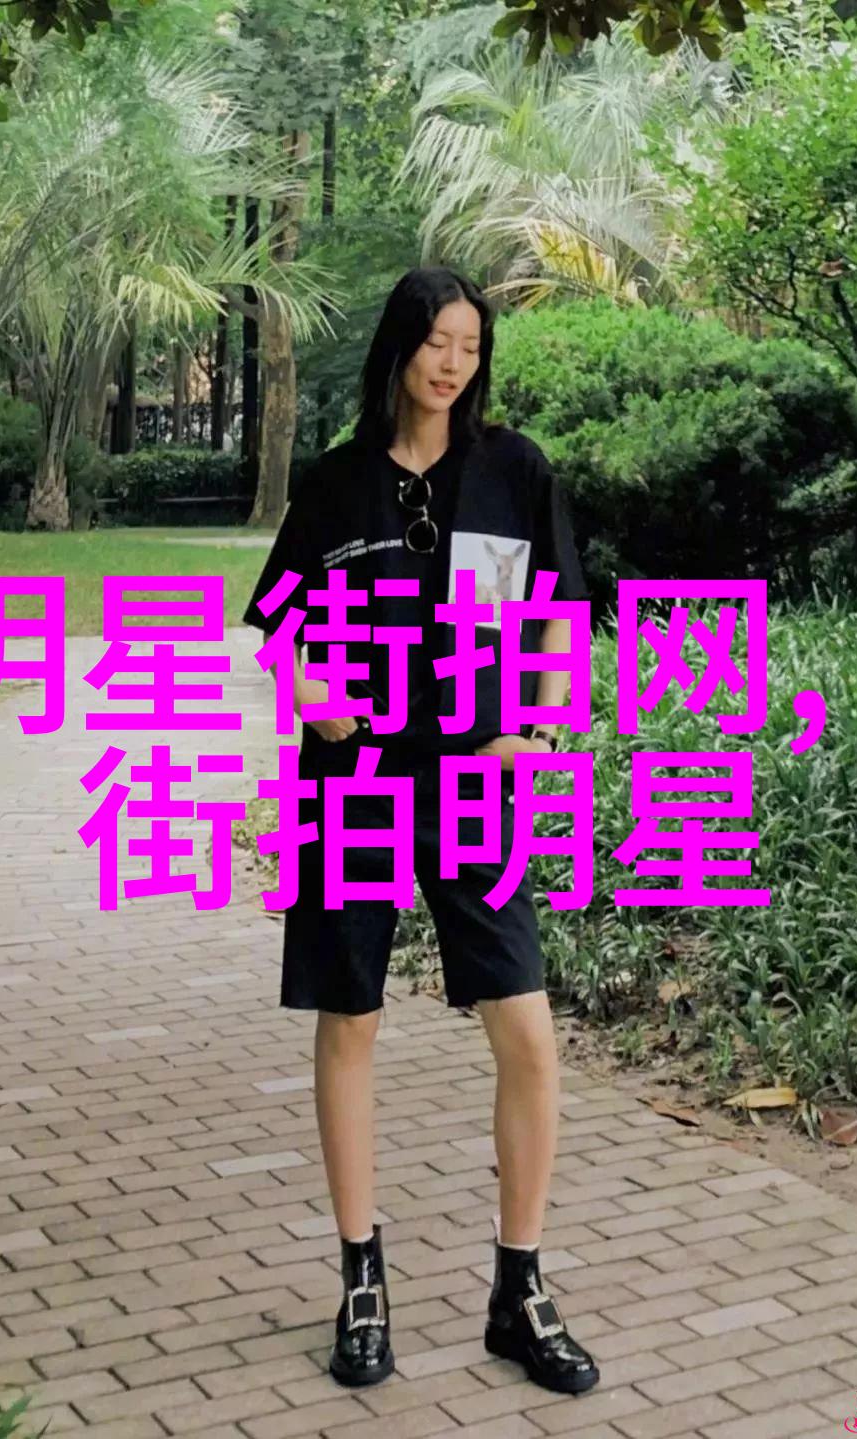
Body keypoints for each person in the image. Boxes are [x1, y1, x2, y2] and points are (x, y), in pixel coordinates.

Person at [242, 266, 600, 1396]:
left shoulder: (514, 470)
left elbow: (560, 614)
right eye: (437, 341)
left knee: (526, 1029)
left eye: (470, 345)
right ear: (399, 347)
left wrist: (544, 724)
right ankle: (362, 1277)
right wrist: (311, 694)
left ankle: (519, 1288)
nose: (453, 363)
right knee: (350, 1014)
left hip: (475, 776)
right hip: (354, 772)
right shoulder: (336, 483)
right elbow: (281, 626)